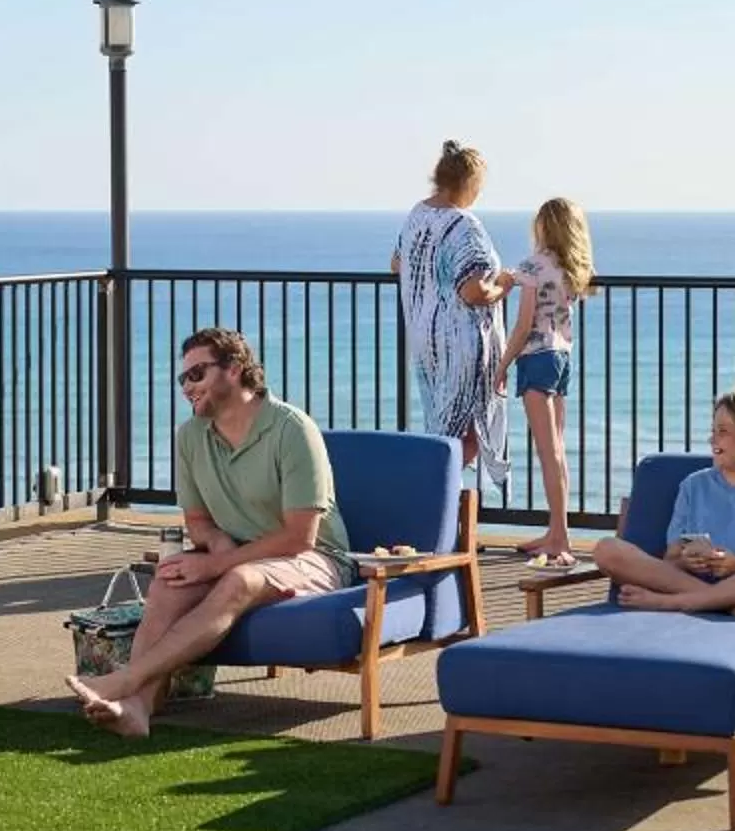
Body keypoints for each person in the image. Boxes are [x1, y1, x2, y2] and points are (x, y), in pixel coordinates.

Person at [66, 327, 351, 739]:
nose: (187, 387)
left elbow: (299, 537)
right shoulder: (190, 437)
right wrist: (217, 548)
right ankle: (138, 707)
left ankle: (126, 679)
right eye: (182, 378)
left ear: (233, 370)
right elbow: (197, 521)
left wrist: (219, 565)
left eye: (196, 374)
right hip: (239, 555)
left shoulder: (292, 429)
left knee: (239, 579)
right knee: (169, 581)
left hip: (313, 560)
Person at [589, 383, 735, 617]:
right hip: (702, 587)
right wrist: (687, 561)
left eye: (723, 432)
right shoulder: (693, 486)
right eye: (713, 431)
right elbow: (670, 560)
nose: (712, 439)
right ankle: (722, 603)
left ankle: (676, 602)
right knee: (607, 549)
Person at [393, 140, 514, 494]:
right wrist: (504, 285)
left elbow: (397, 263)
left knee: (442, 428)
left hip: (426, 341)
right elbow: (473, 291)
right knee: (466, 436)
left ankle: (436, 500)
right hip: (462, 345)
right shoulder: (463, 225)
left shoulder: (418, 215)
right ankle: (429, 497)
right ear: (469, 183)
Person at [501, 197, 594, 568]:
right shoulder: (568, 268)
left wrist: (502, 365)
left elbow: (524, 325)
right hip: (561, 358)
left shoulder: (533, 265)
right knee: (557, 450)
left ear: (543, 226)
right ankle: (557, 531)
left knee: (547, 451)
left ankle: (560, 538)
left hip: (536, 359)